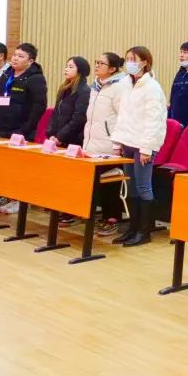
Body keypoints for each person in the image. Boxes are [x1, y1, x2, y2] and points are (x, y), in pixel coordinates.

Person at [110, 46, 168, 247]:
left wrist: (146, 148)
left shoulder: (152, 87)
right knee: (131, 187)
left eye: (133, 59)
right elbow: (122, 116)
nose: (129, 63)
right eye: (127, 59)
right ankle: (132, 228)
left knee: (144, 187)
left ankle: (144, 231)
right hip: (127, 141)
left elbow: (154, 120)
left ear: (144, 62)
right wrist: (117, 142)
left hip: (143, 144)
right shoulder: (125, 84)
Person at [83, 53, 131, 238]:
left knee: (111, 184)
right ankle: (100, 216)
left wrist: (117, 142)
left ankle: (112, 218)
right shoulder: (96, 86)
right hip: (92, 141)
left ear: (112, 69)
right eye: (96, 62)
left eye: (101, 63)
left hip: (109, 143)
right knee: (97, 184)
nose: (97, 65)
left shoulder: (119, 87)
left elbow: (123, 117)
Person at [0, 43, 48, 141]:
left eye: (20, 56)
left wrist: (24, 130)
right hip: (0, 130)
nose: (15, 58)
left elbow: (39, 107)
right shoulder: (5, 75)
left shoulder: (36, 78)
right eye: (14, 55)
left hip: (21, 133)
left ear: (30, 61)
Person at [46, 56, 91, 147]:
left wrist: (60, 137)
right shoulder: (64, 88)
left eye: (71, 67)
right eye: (66, 66)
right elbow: (55, 113)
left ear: (80, 70)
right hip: (56, 139)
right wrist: (51, 134)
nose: (66, 69)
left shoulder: (84, 91)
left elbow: (79, 119)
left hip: (72, 141)